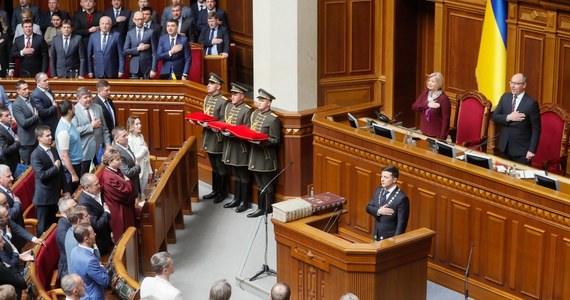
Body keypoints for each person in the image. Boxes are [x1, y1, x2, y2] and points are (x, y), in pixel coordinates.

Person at [491, 73, 541, 165]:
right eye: (511, 82)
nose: (512, 86)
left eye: (517, 84)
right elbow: (495, 116)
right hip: (503, 148)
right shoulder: (505, 97)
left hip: (521, 151)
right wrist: (508, 117)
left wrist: (532, 150)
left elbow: (536, 129)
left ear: (524, 85)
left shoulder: (531, 103)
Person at [247, 89, 282, 218]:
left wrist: (261, 142)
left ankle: (267, 208)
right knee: (259, 183)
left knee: (267, 184)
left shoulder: (273, 120)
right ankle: (260, 207)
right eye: (259, 100)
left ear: (269, 103)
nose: (259, 103)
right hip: (255, 154)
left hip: (266, 156)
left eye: (262, 101)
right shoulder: (255, 114)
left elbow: (276, 140)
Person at [222, 83, 253, 212]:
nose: (232, 96)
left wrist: (233, 134)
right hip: (229, 146)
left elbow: (247, 129)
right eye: (232, 94)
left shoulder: (247, 110)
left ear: (242, 96)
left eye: (235, 94)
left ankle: (244, 202)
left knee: (243, 175)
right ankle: (236, 199)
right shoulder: (229, 106)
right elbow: (225, 122)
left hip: (240, 147)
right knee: (235, 173)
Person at [198, 73, 228, 203]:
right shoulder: (207, 98)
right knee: (214, 166)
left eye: (211, 84)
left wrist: (209, 125)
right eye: (208, 83)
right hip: (208, 136)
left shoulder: (223, 101)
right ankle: (215, 190)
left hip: (217, 137)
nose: (208, 85)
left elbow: (223, 120)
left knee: (220, 166)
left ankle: (222, 192)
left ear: (218, 86)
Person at [30, 125, 64, 236]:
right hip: (44, 198)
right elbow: (42, 175)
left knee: (55, 226)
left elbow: (61, 171)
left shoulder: (53, 150)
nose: (51, 137)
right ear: (39, 138)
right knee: (43, 229)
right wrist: (55, 167)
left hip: (55, 195)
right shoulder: (35, 155)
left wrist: (66, 188)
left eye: (50, 134)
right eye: (47, 135)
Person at [98, 149, 136, 243]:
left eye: (120, 159)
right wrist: (128, 182)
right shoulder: (108, 177)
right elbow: (124, 193)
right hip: (118, 209)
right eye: (117, 159)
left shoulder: (116, 170)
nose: (120, 161)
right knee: (123, 236)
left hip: (124, 207)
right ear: (110, 161)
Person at [72, 86, 112, 176]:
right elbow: (74, 131)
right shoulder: (74, 110)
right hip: (84, 152)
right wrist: (91, 126)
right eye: (85, 97)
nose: (89, 99)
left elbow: (104, 128)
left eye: (90, 96)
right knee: (85, 178)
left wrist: (108, 144)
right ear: (78, 98)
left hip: (99, 151)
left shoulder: (98, 107)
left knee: (100, 175)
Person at [365, 165, 410, 241]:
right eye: (382, 176)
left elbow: (401, 225)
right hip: (377, 236)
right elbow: (368, 207)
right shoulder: (378, 191)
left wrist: (395, 242)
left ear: (394, 180)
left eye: (386, 177)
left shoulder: (401, 198)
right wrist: (378, 211)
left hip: (390, 239)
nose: (382, 179)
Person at [69, 223, 109, 299]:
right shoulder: (90, 262)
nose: (95, 234)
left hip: (83, 295)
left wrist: (94, 244)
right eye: (93, 234)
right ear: (86, 239)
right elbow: (105, 281)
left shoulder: (74, 251)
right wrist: (101, 266)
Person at [77, 173, 113, 255]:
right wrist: (107, 212)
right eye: (96, 184)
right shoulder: (84, 203)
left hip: (106, 238)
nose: (100, 186)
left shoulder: (96, 192)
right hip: (100, 243)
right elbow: (97, 224)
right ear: (87, 188)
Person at [411, 72, 451, 140]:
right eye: (428, 80)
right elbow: (414, 107)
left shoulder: (444, 99)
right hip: (423, 132)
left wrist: (442, 139)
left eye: (433, 81)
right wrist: (427, 105)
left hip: (436, 135)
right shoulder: (425, 93)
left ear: (439, 83)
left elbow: (446, 121)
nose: (429, 83)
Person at [55, 100, 82, 194]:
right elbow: (64, 156)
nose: (75, 110)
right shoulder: (63, 131)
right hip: (70, 168)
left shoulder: (69, 124)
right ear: (70, 111)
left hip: (76, 164)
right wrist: (73, 174)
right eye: (74, 108)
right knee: (72, 194)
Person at [12, 80, 40, 165]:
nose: (27, 91)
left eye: (27, 88)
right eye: (24, 89)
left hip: (36, 138)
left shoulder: (31, 99)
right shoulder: (16, 104)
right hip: (27, 141)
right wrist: (35, 116)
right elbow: (23, 123)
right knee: (28, 166)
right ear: (18, 91)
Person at [123, 11, 158, 79]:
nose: (140, 21)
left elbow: (154, 53)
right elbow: (125, 51)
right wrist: (138, 49)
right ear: (133, 20)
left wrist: (154, 69)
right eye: (138, 19)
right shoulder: (130, 33)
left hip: (147, 67)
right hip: (134, 67)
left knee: (148, 89)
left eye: (141, 19)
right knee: (135, 89)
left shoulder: (151, 32)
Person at [65, 205, 99, 272]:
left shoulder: (70, 230)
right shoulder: (79, 241)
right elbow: (96, 259)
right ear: (79, 221)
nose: (90, 216)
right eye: (86, 216)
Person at [112, 126, 142, 197]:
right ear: (116, 139)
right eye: (124, 136)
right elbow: (127, 173)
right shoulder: (118, 152)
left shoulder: (126, 145)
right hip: (129, 188)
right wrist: (137, 166)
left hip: (135, 183)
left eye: (127, 135)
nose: (127, 137)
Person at [0, 165, 24, 249]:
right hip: (12, 235)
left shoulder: (6, 188)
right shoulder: (1, 194)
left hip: (17, 231)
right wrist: (17, 203)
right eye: (8, 176)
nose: (12, 178)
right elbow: (9, 215)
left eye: (11, 175)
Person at [126, 115, 153, 193]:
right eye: (137, 124)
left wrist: (149, 170)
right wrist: (144, 149)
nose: (140, 126)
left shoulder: (141, 136)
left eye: (140, 123)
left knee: (143, 193)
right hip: (138, 171)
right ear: (131, 126)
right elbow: (134, 157)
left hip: (145, 170)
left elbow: (147, 155)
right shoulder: (129, 139)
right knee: (137, 193)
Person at [56, 196, 76, 280]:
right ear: (67, 211)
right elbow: (72, 252)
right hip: (69, 269)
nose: (77, 208)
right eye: (75, 207)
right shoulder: (63, 231)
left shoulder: (68, 222)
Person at [0, 109, 21, 174]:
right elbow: (6, 151)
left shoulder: (9, 124)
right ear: (0, 118)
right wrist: (17, 142)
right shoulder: (0, 132)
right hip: (11, 164)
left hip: (17, 158)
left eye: (10, 114)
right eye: (6, 115)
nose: (10, 117)